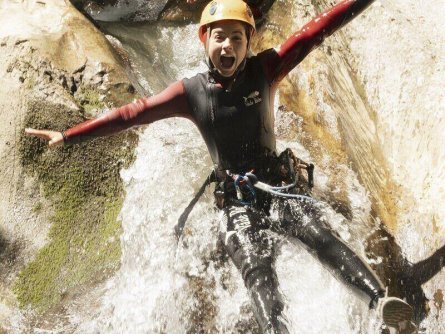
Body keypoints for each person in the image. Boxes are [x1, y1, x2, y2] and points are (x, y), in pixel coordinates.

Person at [25, 0, 418, 333]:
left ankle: (381, 301)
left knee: (321, 235)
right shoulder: (191, 93)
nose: (228, 45)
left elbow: (317, 30)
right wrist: (69, 135)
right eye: (219, 36)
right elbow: (133, 113)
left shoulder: (266, 69)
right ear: (204, 39)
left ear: (249, 41)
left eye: (237, 37)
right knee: (258, 271)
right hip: (238, 201)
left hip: (280, 186)